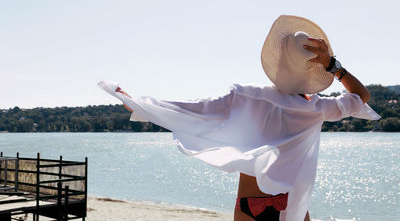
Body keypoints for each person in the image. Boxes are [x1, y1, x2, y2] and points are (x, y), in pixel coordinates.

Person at [99, 15, 380, 221]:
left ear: (278, 62)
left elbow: (197, 108)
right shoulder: (318, 108)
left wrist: (140, 104)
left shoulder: (248, 97)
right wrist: (334, 66)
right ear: (312, 71)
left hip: (254, 203)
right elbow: (361, 96)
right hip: (293, 206)